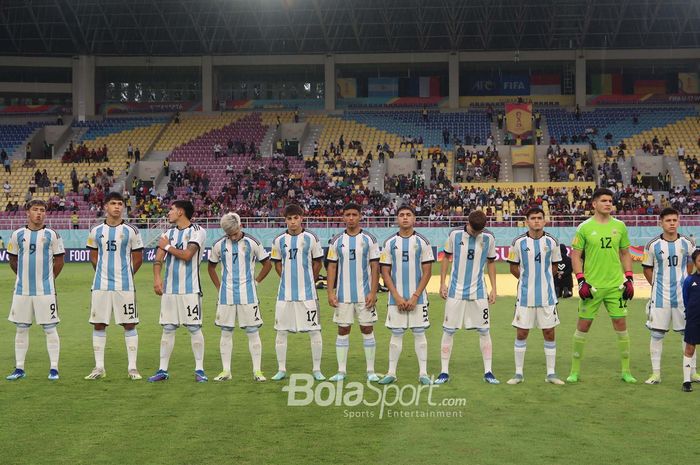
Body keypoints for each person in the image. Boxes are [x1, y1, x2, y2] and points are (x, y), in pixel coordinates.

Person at [568, 188, 636, 384]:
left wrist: (629, 278)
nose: (608, 203)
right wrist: (581, 280)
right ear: (594, 204)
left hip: (616, 286)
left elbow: (625, 253)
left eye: (610, 200)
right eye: (604, 200)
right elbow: (576, 255)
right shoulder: (584, 228)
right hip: (593, 286)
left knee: (621, 325)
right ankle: (574, 371)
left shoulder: (620, 226)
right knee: (583, 325)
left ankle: (626, 371)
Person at [84, 192, 144, 380]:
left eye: (120, 204)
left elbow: (138, 258)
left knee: (129, 323)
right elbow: (93, 255)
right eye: (113, 203)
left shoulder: (131, 231)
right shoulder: (95, 230)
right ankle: (99, 367)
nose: (117, 207)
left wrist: (126, 275)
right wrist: (101, 272)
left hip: (124, 286)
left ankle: (132, 368)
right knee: (99, 323)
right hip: (101, 285)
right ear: (106, 207)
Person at [436, 210, 499, 385]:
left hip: (478, 291)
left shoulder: (489, 238)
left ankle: (488, 371)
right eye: (473, 231)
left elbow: (491, 262)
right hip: (455, 291)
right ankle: (444, 372)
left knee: (484, 330)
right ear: (468, 223)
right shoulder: (454, 235)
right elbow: (446, 258)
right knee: (449, 330)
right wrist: (442, 283)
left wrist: (494, 288)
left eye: (479, 232)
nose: (476, 234)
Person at [207, 212, 272, 382]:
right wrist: (219, 287)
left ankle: (257, 371)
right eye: (229, 235)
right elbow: (211, 268)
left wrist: (256, 282)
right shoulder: (218, 245)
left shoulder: (253, 242)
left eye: (235, 233)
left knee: (252, 331)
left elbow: (267, 264)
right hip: (226, 296)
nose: (233, 237)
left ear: (240, 226)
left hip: (248, 295)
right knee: (226, 331)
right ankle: (226, 371)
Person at [148, 200, 208, 383]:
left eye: (171, 210)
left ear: (181, 212)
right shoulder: (168, 233)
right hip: (170, 290)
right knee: (167, 328)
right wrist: (157, 278)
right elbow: (158, 260)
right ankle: (162, 370)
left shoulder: (198, 231)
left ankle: (199, 370)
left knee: (194, 327)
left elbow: (187, 256)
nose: (169, 213)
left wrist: (166, 246)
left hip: (190, 289)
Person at [6, 199, 65, 381]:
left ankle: (54, 369)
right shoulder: (17, 235)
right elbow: (13, 260)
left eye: (42, 210)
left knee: (50, 328)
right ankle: (19, 368)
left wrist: (48, 279)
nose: (39, 213)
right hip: (22, 291)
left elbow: (59, 261)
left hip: (45, 292)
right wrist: (22, 277)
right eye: (35, 210)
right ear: (27, 212)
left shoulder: (52, 235)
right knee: (21, 329)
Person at [506, 207, 565, 385]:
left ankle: (551, 374)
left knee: (549, 332)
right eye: (533, 218)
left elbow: (555, 267)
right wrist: (528, 280)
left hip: (547, 297)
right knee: (522, 332)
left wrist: (542, 281)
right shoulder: (517, 243)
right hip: (525, 297)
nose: (537, 221)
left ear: (544, 220)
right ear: (527, 221)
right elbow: (513, 268)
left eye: (540, 218)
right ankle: (518, 374)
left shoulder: (552, 242)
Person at [378, 205, 434, 385]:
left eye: (408, 215)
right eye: (401, 215)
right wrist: (397, 296)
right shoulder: (389, 243)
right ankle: (391, 373)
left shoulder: (423, 242)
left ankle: (423, 373)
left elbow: (427, 272)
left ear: (414, 219)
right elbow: (385, 272)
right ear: (396, 219)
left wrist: (415, 296)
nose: (405, 218)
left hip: (419, 299)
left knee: (419, 333)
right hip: (396, 299)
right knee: (396, 334)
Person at [325, 203, 381, 382]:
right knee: (343, 329)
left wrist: (373, 291)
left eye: (354, 214)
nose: (351, 218)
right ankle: (341, 371)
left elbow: (375, 266)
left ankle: (370, 371)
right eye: (347, 214)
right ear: (343, 217)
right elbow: (332, 267)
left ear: (360, 217)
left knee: (367, 328)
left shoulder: (369, 239)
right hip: (343, 295)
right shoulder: (336, 241)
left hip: (364, 294)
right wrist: (330, 292)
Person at [642, 208, 697, 384]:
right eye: (668, 220)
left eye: (675, 220)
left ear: (678, 221)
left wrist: (685, 282)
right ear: (661, 223)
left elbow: (691, 264)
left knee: (688, 335)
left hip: (683, 298)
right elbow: (647, 268)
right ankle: (656, 374)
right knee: (657, 334)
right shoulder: (652, 245)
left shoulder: (688, 243)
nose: (672, 223)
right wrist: (657, 286)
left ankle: (692, 373)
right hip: (660, 298)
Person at [269, 204, 324, 381]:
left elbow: (318, 263)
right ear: (285, 220)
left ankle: (316, 369)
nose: (292, 222)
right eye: (289, 218)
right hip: (284, 294)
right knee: (281, 331)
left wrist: (310, 280)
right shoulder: (278, 240)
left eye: (296, 218)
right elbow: (277, 263)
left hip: (308, 294)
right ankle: (281, 369)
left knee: (314, 330)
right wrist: (285, 278)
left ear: (302, 218)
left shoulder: (311, 238)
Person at [682, 250, 700, 392]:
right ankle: (686, 381)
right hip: (694, 319)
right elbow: (686, 299)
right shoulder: (689, 280)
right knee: (689, 348)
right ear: (695, 263)